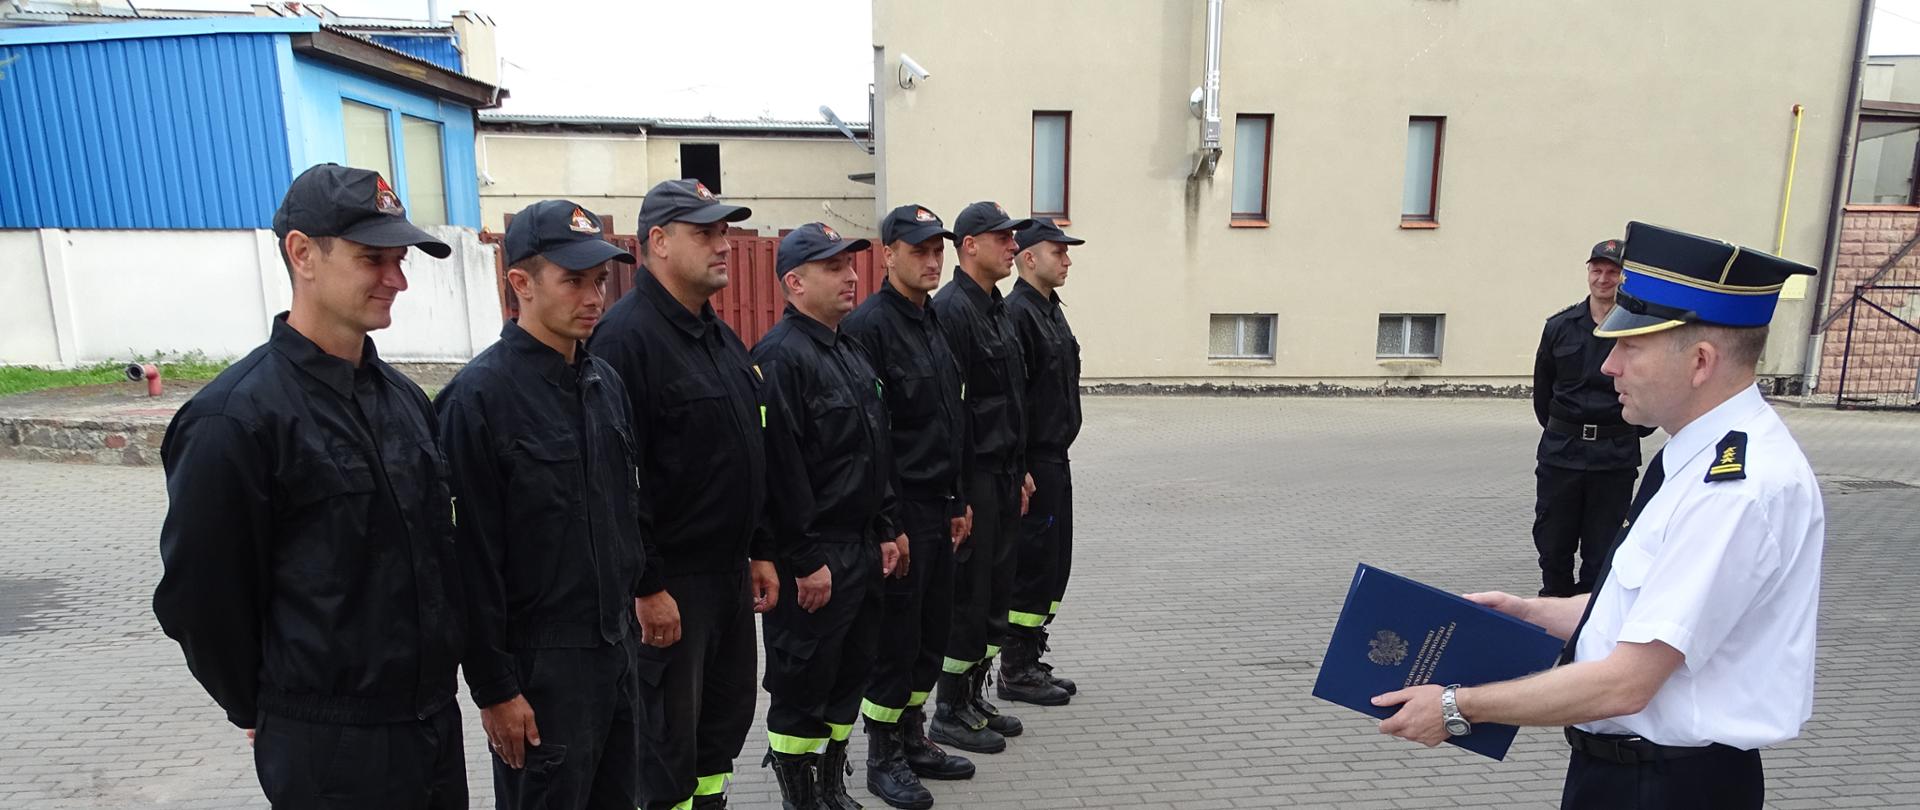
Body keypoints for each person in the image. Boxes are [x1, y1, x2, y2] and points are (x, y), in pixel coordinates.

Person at [1374, 221, 1823, 810]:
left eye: (1631, 346)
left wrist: (1457, 707)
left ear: (1701, 361)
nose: (1609, 366)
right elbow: (1647, 609)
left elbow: (1626, 682)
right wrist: (1529, 612)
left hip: (1666, 787)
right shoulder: (1698, 459)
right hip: (1632, 776)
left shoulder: (1734, 490)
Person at [153, 163, 467, 808]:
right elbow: (200, 598)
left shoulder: (405, 401)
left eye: (400, 260)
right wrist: (269, 705)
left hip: (431, 724)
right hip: (331, 744)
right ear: (304, 254)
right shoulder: (236, 418)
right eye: (372, 259)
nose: (397, 280)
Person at [436, 200, 647, 809]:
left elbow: (624, 512)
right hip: (540, 668)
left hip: (614, 652)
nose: (593, 297)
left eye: (599, 281)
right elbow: (469, 561)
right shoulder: (478, 399)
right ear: (521, 283)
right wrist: (496, 689)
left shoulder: (603, 384)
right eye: (573, 280)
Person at [587, 179, 779, 810]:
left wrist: (758, 548)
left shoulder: (718, 337)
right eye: (706, 233)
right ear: (659, 243)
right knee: (664, 748)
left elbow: (744, 453)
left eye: (725, 231)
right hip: (670, 585)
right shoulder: (624, 339)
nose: (723, 245)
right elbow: (619, 481)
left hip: (724, 578)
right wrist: (646, 587)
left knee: (717, 733)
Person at [753, 223, 903, 809]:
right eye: (834, 268)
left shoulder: (848, 349)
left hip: (861, 549)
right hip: (815, 558)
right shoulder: (779, 359)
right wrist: (804, 559)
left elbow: (875, 449)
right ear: (795, 282)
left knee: (849, 675)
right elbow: (777, 475)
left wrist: (887, 529)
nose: (852, 276)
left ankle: (829, 780)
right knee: (803, 683)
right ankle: (801, 796)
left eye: (850, 264)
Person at [843, 204, 979, 808]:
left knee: (930, 631)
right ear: (888, 253)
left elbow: (949, 416)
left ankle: (913, 733)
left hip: (937, 506)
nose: (931, 260)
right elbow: (869, 436)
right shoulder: (869, 326)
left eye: (937, 250)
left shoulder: (933, 322)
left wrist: (957, 499)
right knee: (894, 638)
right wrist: (886, 522)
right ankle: (882, 754)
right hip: (899, 512)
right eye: (919, 250)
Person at [929, 201, 1037, 752]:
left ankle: (972, 694)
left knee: (995, 591)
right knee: (968, 596)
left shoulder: (996, 309)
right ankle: (947, 708)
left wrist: (1018, 470)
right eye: (1001, 238)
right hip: (972, 477)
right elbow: (952, 409)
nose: (1011, 247)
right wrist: (957, 491)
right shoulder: (952, 311)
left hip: (1002, 473)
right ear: (969, 245)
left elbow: (1008, 399)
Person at [1531, 238, 1651, 597]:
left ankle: (1590, 623)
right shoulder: (1560, 326)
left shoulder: (1638, 328)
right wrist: (1561, 429)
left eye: (1612, 272)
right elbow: (1543, 391)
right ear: (1588, 273)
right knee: (1554, 546)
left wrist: (1634, 428)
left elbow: (1651, 385)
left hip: (1613, 456)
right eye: (1597, 270)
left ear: (1624, 278)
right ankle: (1552, 618)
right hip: (1561, 454)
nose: (1603, 278)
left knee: (1603, 552)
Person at [1002, 218, 1085, 704]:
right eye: (1059, 252)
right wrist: (1021, 465)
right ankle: (1015, 669)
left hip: (1057, 457)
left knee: (1054, 564)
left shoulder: (1051, 311)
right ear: (1028, 258)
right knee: (1032, 564)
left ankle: (1030, 655)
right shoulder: (1019, 313)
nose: (1068, 260)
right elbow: (1013, 399)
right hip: (1034, 462)